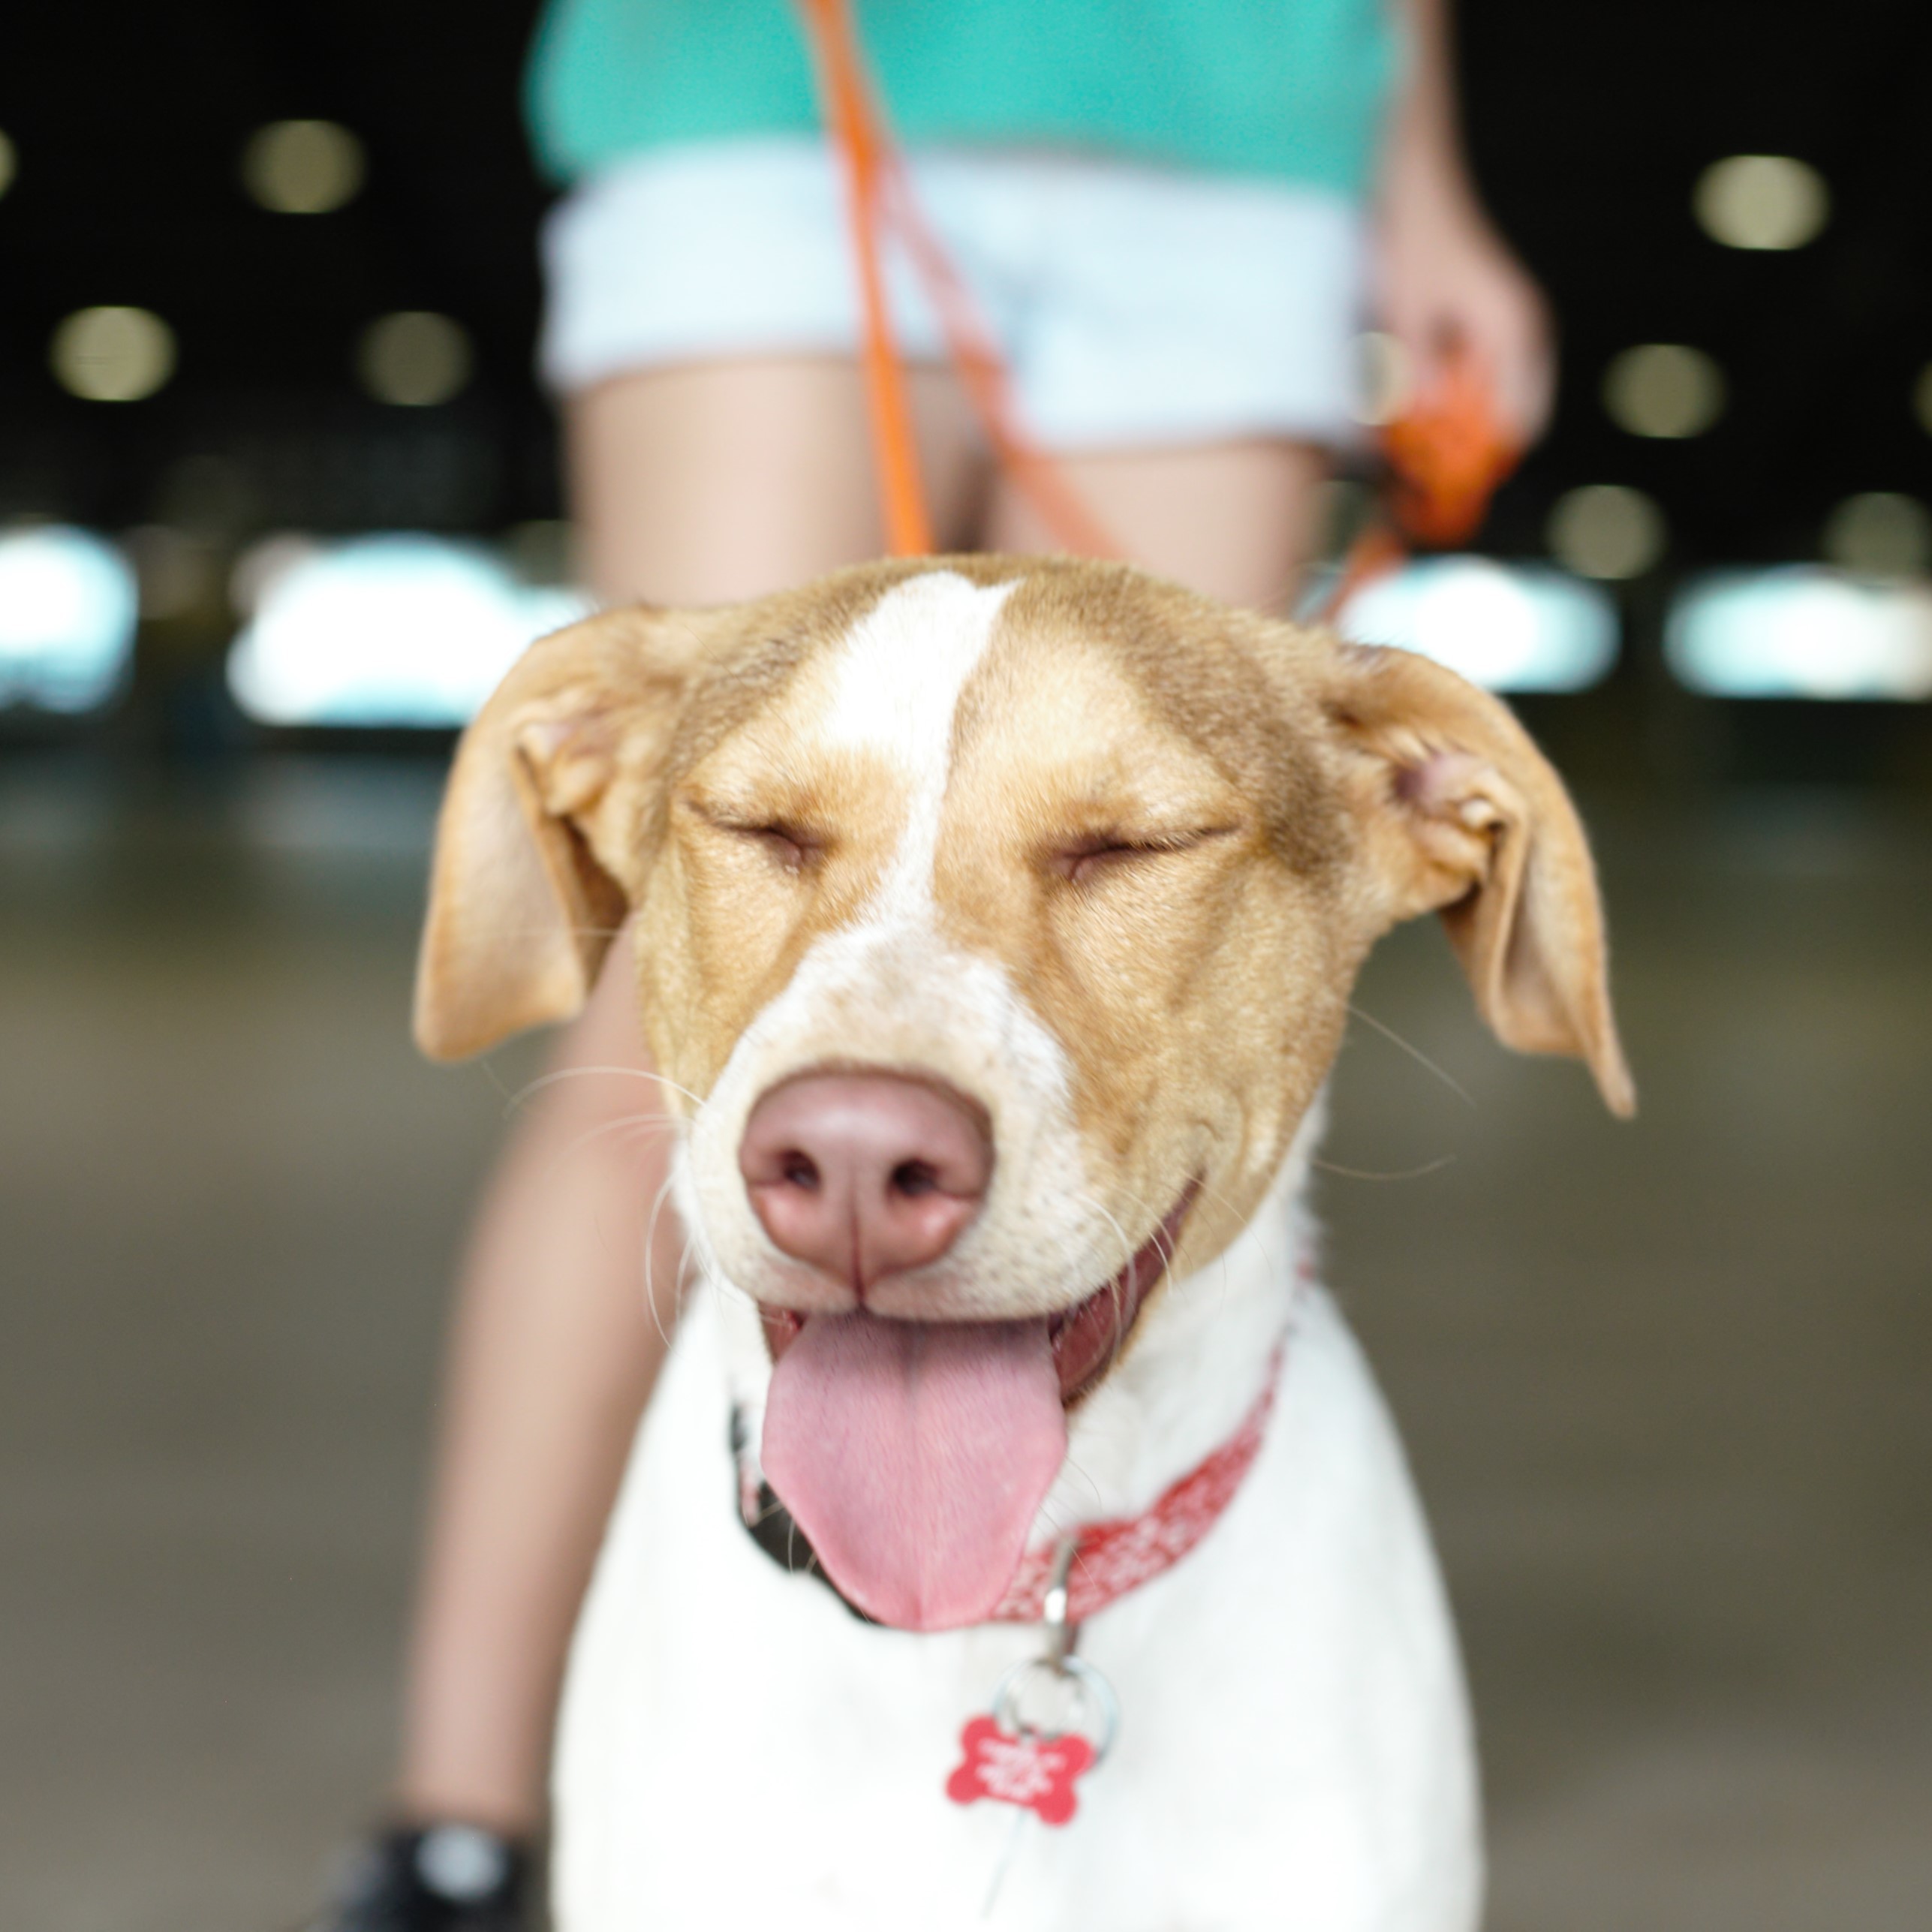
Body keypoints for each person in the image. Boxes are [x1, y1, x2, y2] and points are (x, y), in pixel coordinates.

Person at [318, 2, 1550, 1924]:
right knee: (670, 1013)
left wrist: (1422, 178)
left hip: (1233, 112)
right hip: (761, 90)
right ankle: (466, 1824)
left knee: (1143, 1044)